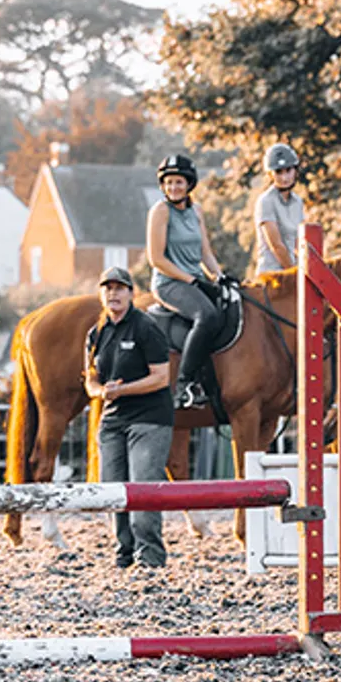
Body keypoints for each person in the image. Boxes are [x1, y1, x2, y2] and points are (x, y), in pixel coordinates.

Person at [86, 265, 174, 568]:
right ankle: (124, 553)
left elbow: (161, 377)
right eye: (108, 288)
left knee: (143, 487)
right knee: (112, 490)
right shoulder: (96, 333)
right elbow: (90, 379)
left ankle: (150, 556)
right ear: (101, 294)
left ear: (131, 294)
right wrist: (101, 392)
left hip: (149, 418)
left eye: (119, 288)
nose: (113, 293)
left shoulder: (146, 328)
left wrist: (122, 390)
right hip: (113, 419)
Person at [145, 153, 227, 410]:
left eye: (178, 182)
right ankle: (184, 385)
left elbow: (205, 252)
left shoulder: (196, 211)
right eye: (168, 182)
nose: (173, 187)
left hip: (195, 280)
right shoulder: (160, 211)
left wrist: (219, 276)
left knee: (231, 308)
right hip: (169, 283)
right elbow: (156, 258)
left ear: (189, 184)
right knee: (207, 316)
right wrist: (191, 281)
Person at [254, 143, 306, 274]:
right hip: (271, 274)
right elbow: (276, 245)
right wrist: (294, 273)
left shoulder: (298, 202)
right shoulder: (266, 201)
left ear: (295, 170)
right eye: (278, 172)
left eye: (288, 170)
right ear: (270, 174)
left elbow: (299, 243)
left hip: (292, 272)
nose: (284, 177)